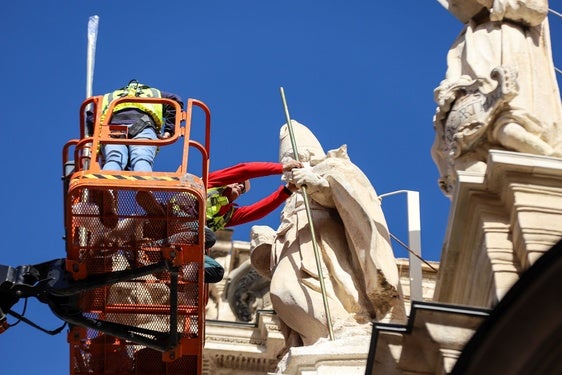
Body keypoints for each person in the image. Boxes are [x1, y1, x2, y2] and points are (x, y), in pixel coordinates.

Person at [250, 121, 405, 349]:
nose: (287, 164)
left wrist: (317, 185)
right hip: (293, 242)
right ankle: (334, 332)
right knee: (285, 291)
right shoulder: (289, 190)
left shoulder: (332, 166)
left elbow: (353, 196)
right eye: (285, 160)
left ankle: (345, 328)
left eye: (291, 157)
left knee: (307, 287)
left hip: (322, 235)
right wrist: (269, 242)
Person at [135, 159, 303, 283]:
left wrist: (286, 191)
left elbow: (258, 211)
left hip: (189, 241)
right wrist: (280, 168)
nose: (239, 187)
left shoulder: (228, 214)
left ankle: (172, 271)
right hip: (173, 220)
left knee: (216, 271)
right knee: (207, 236)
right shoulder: (211, 183)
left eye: (243, 189)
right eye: (237, 183)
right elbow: (244, 170)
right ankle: (155, 248)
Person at [88, 79, 183, 172]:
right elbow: (175, 102)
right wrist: (169, 131)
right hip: (144, 125)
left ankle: (106, 186)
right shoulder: (153, 93)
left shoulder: (109, 96)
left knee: (114, 159)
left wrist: (98, 143)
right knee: (141, 158)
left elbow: (91, 116)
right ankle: (144, 186)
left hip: (113, 129)